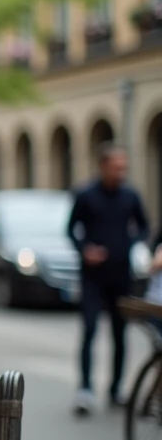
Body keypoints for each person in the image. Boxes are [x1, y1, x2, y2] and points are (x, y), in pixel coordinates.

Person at [67, 142, 150, 416]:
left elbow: (144, 226)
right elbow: (70, 229)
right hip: (92, 276)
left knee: (119, 334)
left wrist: (131, 244)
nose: (121, 172)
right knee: (90, 330)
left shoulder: (130, 196)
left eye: (124, 167)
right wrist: (85, 249)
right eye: (116, 167)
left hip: (120, 275)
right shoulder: (86, 195)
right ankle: (85, 390)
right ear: (103, 166)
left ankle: (115, 389)